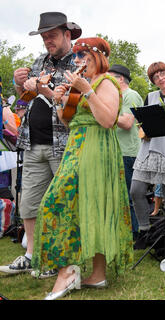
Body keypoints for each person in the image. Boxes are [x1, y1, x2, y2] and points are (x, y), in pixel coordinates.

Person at [31, 37, 133, 300]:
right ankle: (90, 275)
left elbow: (108, 120)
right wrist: (61, 100)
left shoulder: (106, 82)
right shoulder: (81, 85)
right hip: (77, 146)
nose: (76, 61)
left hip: (97, 149)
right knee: (72, 204)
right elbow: (68, 123)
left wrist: (87, 91)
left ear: (96, 56)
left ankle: (73, 273)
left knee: (68, 203)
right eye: (75, 56)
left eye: (81, 55)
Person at [0, 12, 81, 278]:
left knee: (62, 203)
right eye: (44, 37)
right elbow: (24, 99)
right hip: (33, 142)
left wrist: (45, 88)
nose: (47, 41)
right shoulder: (39, 61)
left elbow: (76, 103)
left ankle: (58, 260)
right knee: (30, 203)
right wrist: (18, 81)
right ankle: (31, 255)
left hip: (64, 144)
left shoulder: (80, 61)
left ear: (67, 35)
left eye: (52, 36)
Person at [130, 62, 165, 244]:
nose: (160, 78)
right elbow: (144, 123)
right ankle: (145, 232)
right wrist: (144, 127)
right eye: (155, 77)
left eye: (162, 73)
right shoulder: (151, 96)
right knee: (136, 191)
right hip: (149, 148)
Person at [108, 64, 144, 240]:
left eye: (110, 78)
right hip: (114, 151)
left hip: (128, 152)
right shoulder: (115, 97)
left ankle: (136, 233)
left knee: (130, 195)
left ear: (120, 78)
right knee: (118, 195)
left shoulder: (131, 95)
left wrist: (104, 112)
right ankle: (123, 230)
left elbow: (127, 123)